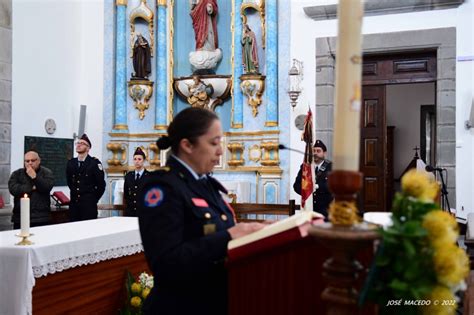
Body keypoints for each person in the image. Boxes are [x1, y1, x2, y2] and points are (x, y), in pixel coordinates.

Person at [138, 107, 264, 315]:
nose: (221, 151)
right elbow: (166, 263)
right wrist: (230, 236)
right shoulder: (162, 187)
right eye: (214, 143)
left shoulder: (205, 183)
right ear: (187, 145)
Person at [8, 151, 54, 229]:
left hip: (41, 217)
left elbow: (46, 187)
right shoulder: (17, 174)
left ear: (39, 161)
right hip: (20, 217)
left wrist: (35, 177)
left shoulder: (47, 173)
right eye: (27, 161)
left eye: (33, 160)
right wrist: (32, 187)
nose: (30, 163)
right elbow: (14, 189)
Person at [66, 134, 106, 221]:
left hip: (88, 206)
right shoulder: (71, 163)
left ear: (88, 148)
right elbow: (70, 182)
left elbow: (101, 185)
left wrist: (92, 199)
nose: (79, 145)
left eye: (82, 143)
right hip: (74, 206)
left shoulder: (94, 163)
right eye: (78, 143)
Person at [293, 139, 333, 218]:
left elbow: (333, 186)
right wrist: (306, 191)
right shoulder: (305, 168)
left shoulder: (331, 167)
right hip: (308, 208)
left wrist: (317, 186)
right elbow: (296, 186)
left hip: (325, 210)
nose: (315, 153)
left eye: (318, 151)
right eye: (314, 151)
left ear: (324, 153)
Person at [123, 147, 149, 217]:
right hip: (130, 212)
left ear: (144, 161)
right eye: (135, 159)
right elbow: (126, 194)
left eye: (139, 159)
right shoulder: (129, 176)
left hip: (143, 212)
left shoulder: (149, 176)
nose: (137, 161)